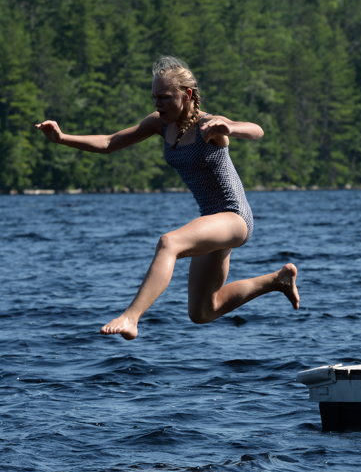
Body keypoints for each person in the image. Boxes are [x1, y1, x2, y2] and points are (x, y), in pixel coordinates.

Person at [36, 56, 300, 340]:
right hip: (211, 220)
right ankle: (277, 281)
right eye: (154, 97)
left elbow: (256, 129)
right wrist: (62, 138)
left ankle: (131, 317)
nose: (157, 104)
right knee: (203, 311)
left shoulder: (208, 125)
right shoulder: (160, 124)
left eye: (164, 97)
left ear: (187, 95)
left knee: (169, 243)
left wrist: (229, 128)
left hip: (234, 217)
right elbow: (109, 143)